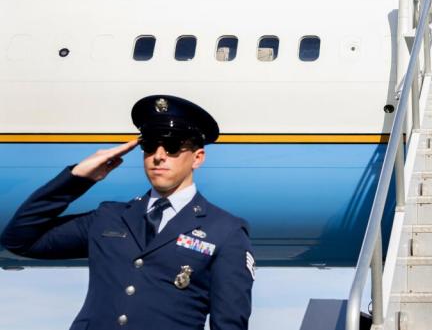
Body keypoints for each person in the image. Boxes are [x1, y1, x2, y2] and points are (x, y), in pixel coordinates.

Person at [1, 95, 255, 330]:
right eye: (150, 146)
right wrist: (77, 178)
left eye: (173, 147)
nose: (159, 156)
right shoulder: (109, 217)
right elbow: (20, 240)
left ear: (197, 158)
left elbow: (229, 323)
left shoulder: (225, 231)